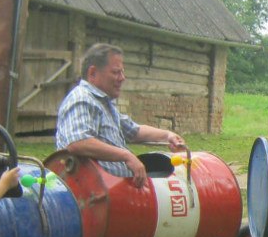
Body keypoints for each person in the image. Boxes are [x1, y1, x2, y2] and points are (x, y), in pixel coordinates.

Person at [55, 43, 186, 187]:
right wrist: (126, 155)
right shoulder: (82, 99)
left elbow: (133, 130)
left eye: (122, 72)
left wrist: (167, 136)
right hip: (92, 198)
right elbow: (77, 143)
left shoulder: (103, 103)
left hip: (115, 192)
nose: (122, 78)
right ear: (93, 73)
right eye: (116, 72)